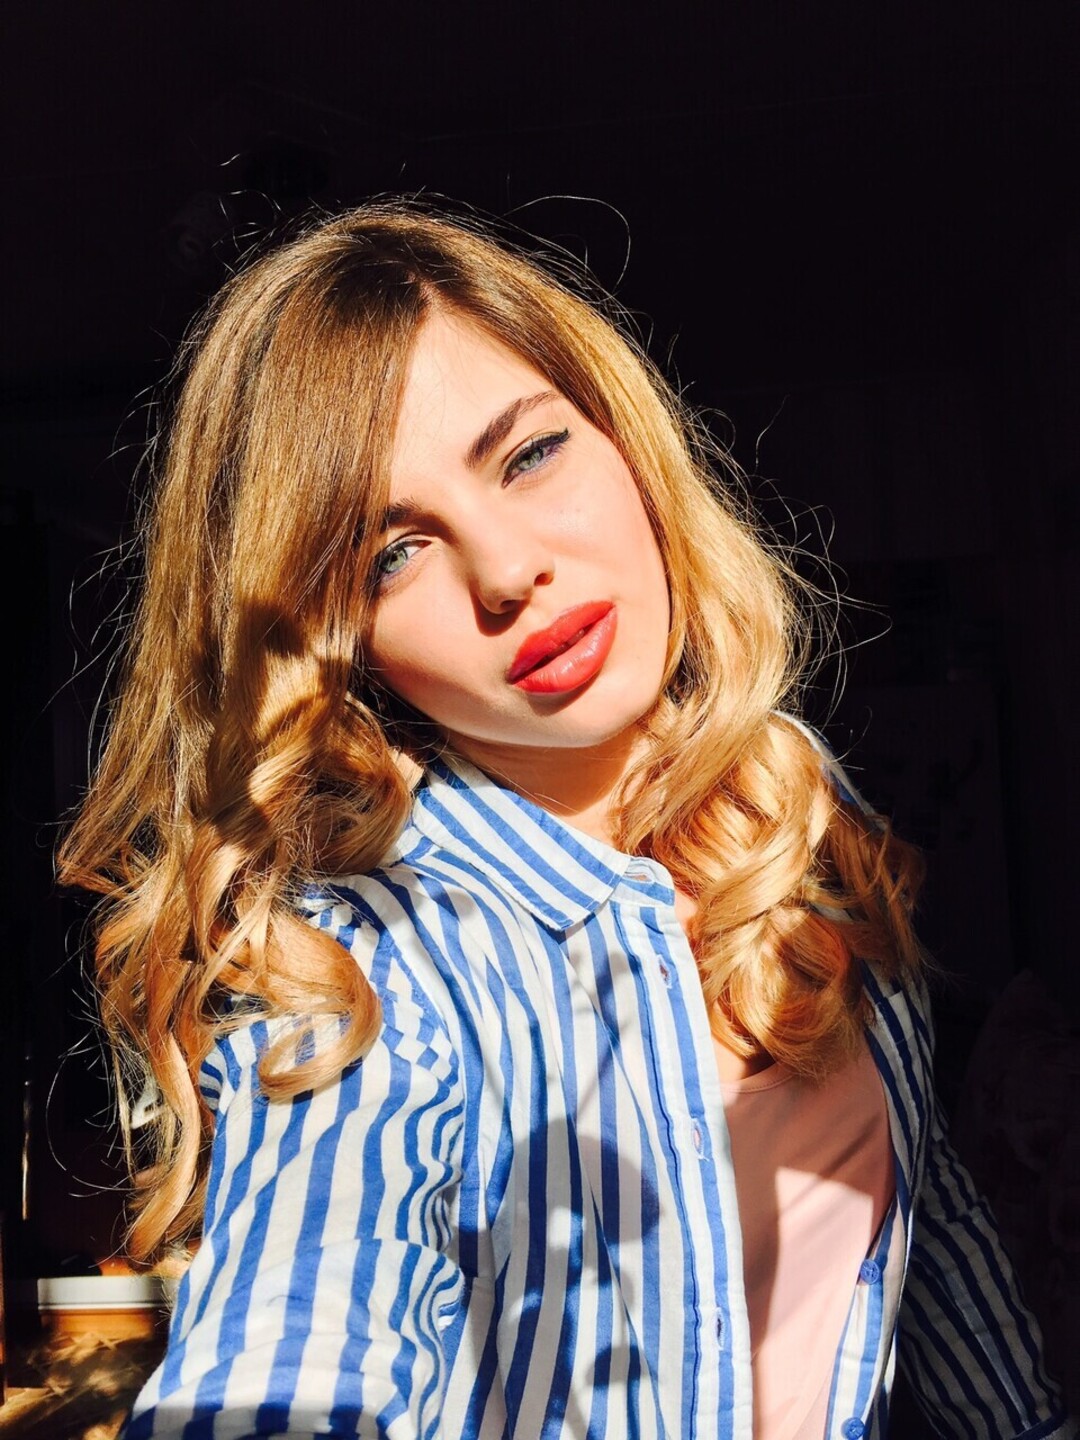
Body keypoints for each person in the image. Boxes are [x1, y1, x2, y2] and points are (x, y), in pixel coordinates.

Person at [58, 202, 1072, 1440]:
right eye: (390, 556)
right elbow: (296, 1340)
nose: (505, 573)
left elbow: (923, 1210)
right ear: (343, 646)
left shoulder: (793, 799)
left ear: (623, 438)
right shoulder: (377, 969)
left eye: (529, 454)